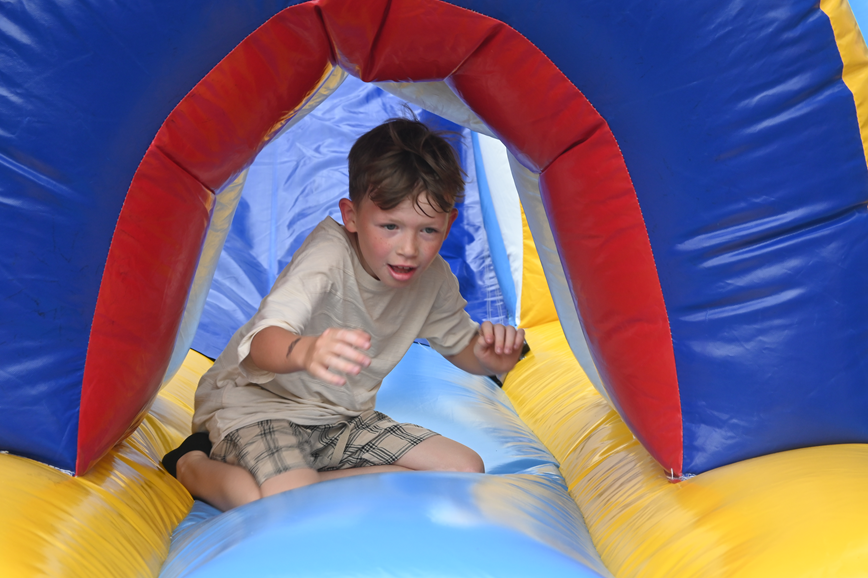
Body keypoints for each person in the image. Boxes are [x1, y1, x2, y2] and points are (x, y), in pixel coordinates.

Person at [162, 117, 525, 511]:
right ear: (351, 216)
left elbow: (460, 345)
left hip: (341, 419)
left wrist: (487, 358)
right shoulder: (328, 256)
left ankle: (302, 484)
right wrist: (306, 352)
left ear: (449, 223)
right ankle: (191, 464)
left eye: (427, 231)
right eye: (390, 226)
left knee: (464, 469)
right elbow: (264, 343)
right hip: (257, 409)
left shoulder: (432, 278)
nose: (408, 249)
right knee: (288, 502)